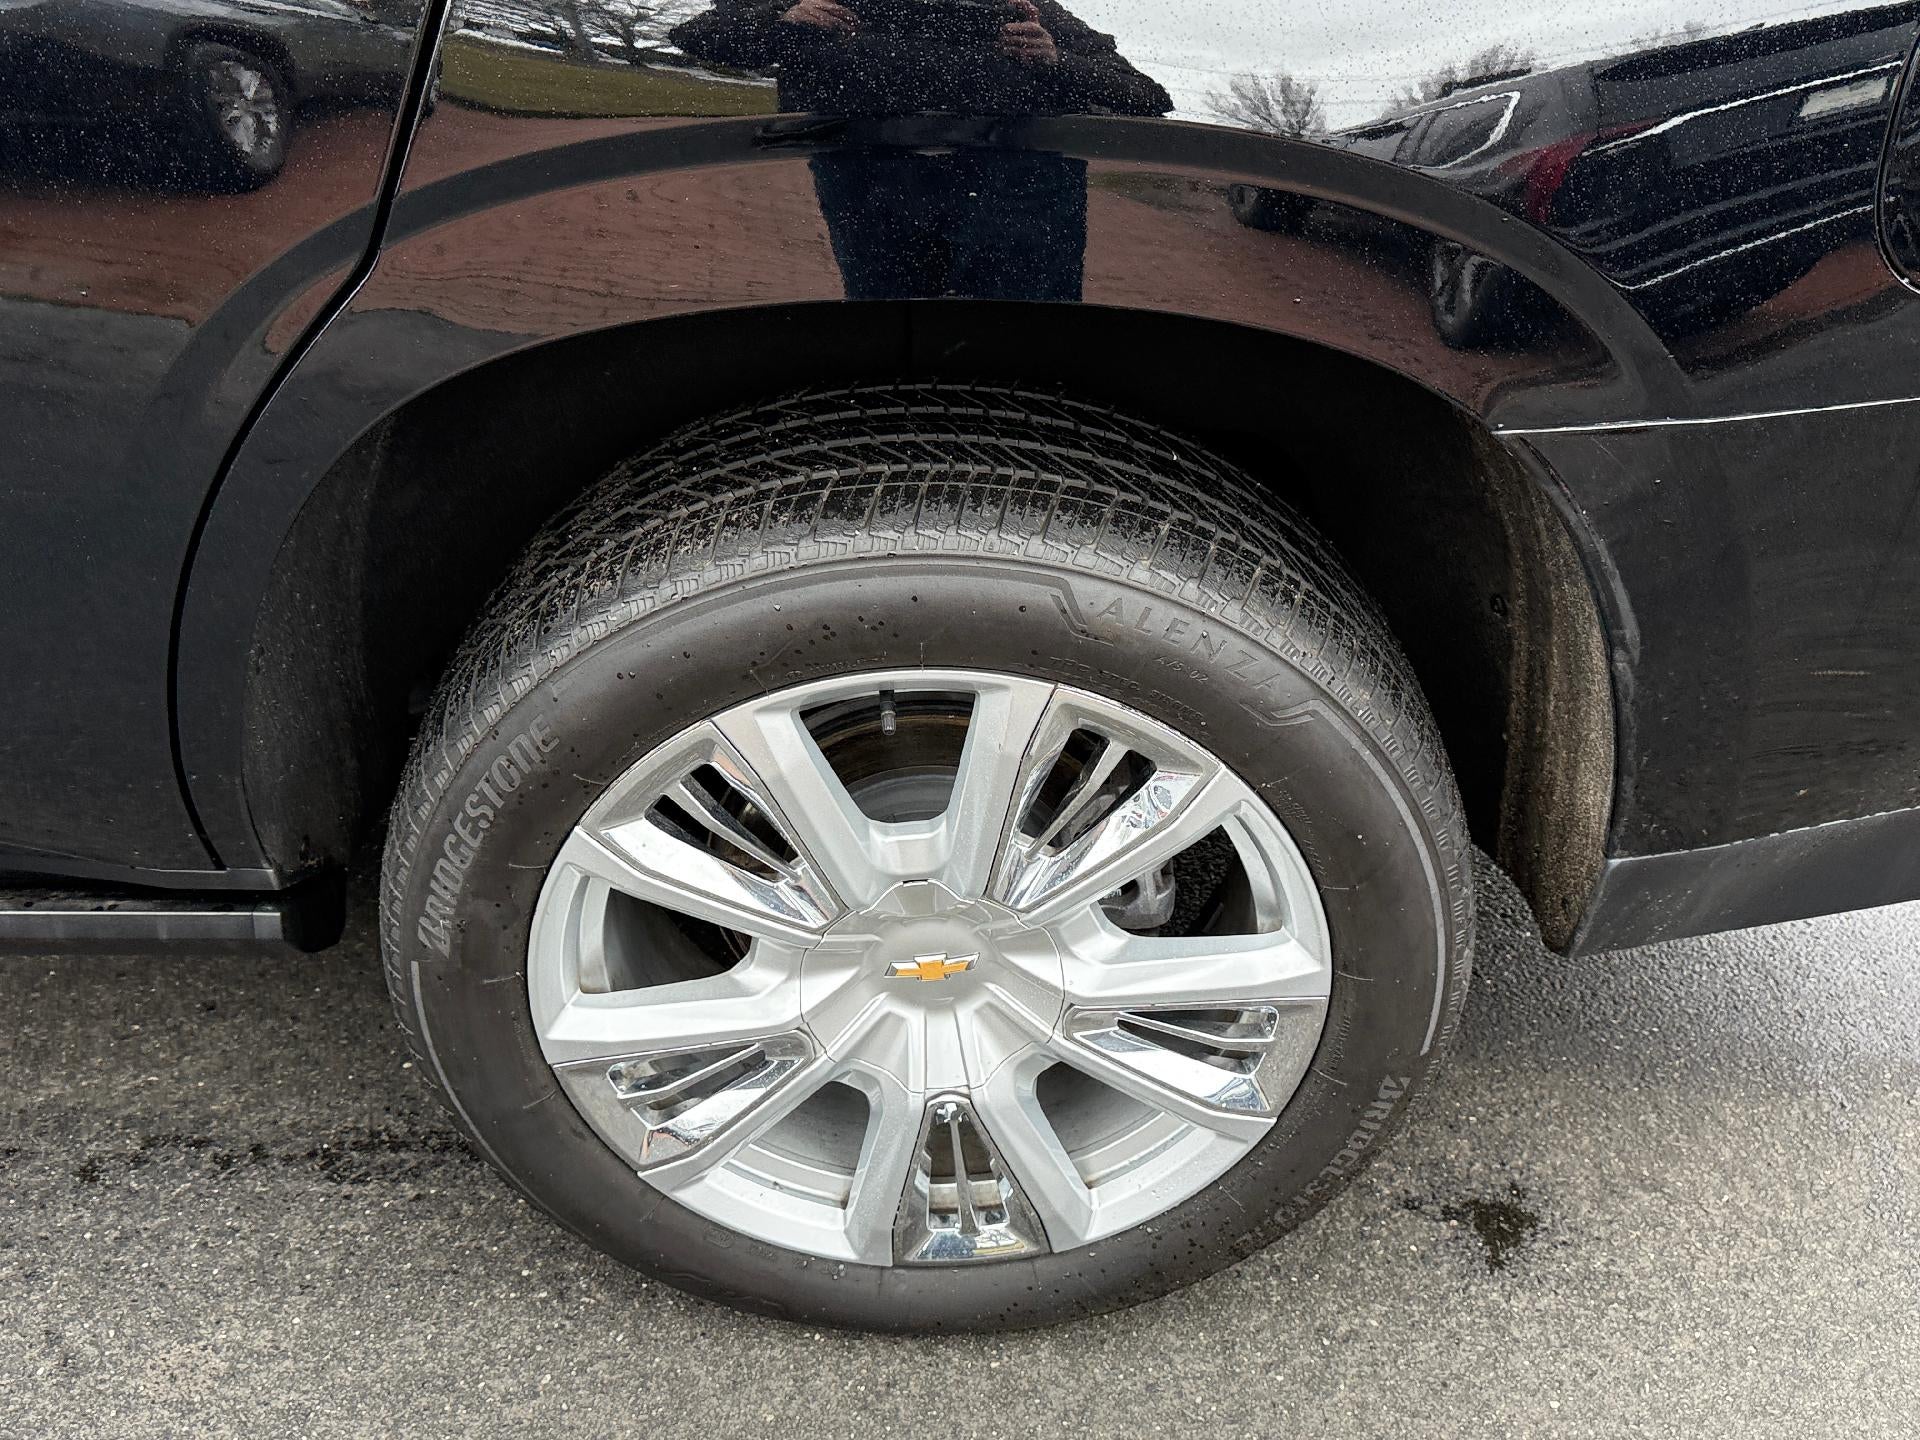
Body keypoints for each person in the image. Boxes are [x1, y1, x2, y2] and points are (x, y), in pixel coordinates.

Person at [672, 0, 1172, 300]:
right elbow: (696, 35)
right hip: (869, 195)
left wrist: (1055, 59)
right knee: (889, 330)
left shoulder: (1027, 12)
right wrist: (783, 17)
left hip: (1019, 202)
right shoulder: (818, 5)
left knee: (1023, 337)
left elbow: (1148, 96)